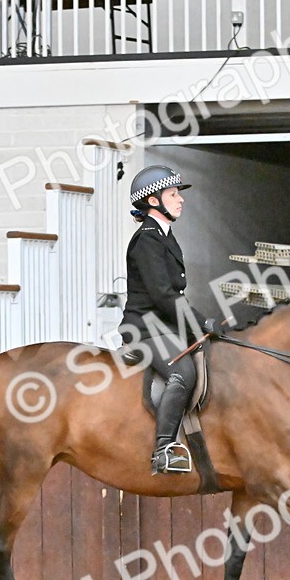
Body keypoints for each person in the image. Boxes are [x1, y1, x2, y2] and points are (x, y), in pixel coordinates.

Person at [120, 165, 222, 475]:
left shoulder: (165, 236)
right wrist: (200, 322)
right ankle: (163, 449)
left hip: (164, 325)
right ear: (154, 201)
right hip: (144, 328)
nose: (181, 200)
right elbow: (164, 295)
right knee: (183, 372)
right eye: (173, 194)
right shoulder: (147, 240)